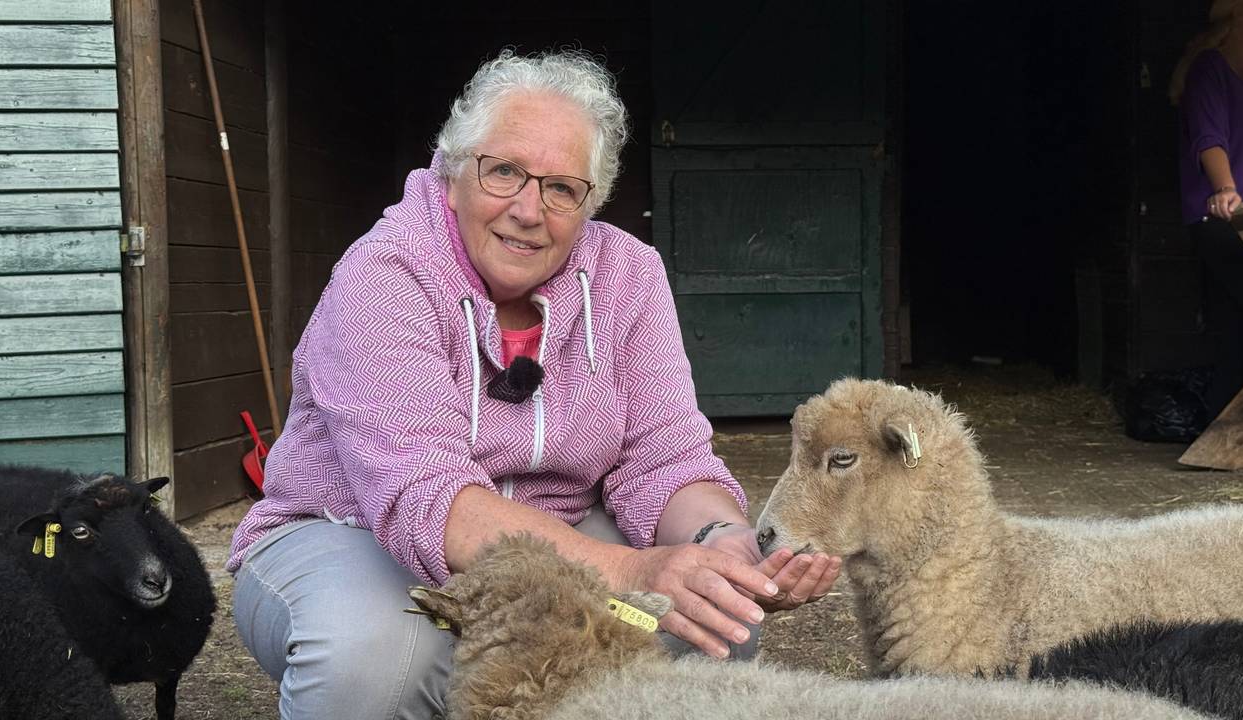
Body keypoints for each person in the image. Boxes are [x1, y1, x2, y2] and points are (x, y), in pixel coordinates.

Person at [227, 50, 840, 719]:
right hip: (354, 536)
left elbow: (665, 459)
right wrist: (639, 571)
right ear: (453, 171)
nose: (528, 209)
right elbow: (426, 501)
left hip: (557, 530)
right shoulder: (384, 275)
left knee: (713, 615)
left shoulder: (628, 276)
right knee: (377, 657)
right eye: (505, 172)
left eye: (561, 189)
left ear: (590, 203)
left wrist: (724, 545)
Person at [1171, 0, 1243, 419]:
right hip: (1226, 219)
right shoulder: (1210, 67)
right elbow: (1210, 137)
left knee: (1240, 328)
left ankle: (1223, 431)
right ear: (1242, 17)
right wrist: (1225, 188)